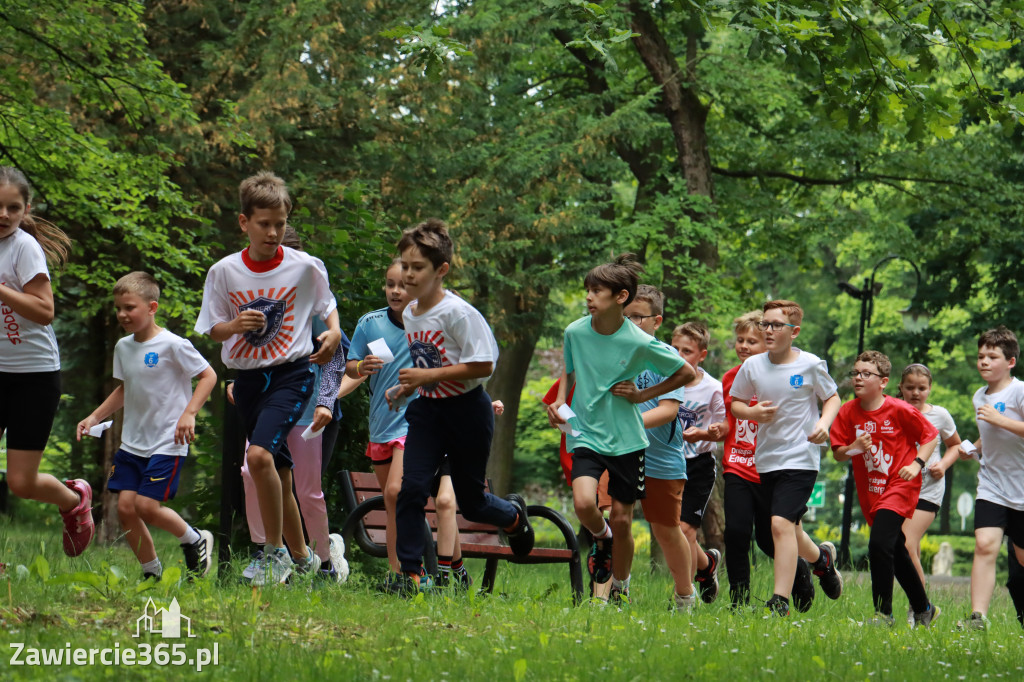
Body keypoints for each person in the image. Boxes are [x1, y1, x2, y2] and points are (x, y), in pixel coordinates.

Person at [195, 171, 341, 586]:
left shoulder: (305, 267)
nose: (274, 232)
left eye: (280, 223)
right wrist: (236, 324)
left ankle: (272, 553)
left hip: (291, 374)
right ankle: (304, 558)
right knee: (278, 472)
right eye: (264, 223)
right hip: (246, 380)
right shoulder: (223, 273)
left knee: (257, 458)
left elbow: (327, 306)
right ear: (244, 222)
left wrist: (331, 332)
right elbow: (213, 329)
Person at [384, 218, 534, 595]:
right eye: (404, 265)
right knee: (411, 489)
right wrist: (405, 389)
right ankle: (411, 575)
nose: (408, 274)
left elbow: (484, 365)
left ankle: (514, 517)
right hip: (428, 413)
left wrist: (425, 379)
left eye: (417, 267)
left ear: (441, 270)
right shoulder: (411, 313)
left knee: (472, 503)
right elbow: (428, 362)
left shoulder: (458, 313)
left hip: (468, 411)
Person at [547, 255, 693, 605]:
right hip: (585, 434)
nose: (588, 297)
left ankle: (620, 589)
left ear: (620, 297)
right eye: (588, 290)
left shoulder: (638, 341)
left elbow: (685, 373)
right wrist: (559, 404)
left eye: (596, 291)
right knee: (584, 503)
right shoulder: (575, 331)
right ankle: (602, 538)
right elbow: (569, 372)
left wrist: (643, 395)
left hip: (627, 442)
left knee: (625, 520)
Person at [76, 272, 217, 581]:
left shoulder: (173, 345)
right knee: (126, 508)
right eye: (118, 309)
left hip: (168, 440)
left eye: (130, 307)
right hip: (132, 443)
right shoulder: (123, 348)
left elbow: (208, 376)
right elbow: (125, 389)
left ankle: (194, 540)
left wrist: (190, 413)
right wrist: (94, 418)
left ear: (152, 307)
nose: (123, 315)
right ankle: (151, 573)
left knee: (147, 506)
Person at [346, 257, 469, 590]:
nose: (396, 291)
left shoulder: (434, 325)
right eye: (390, 284)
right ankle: (398, 572)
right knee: (392, 501)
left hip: (418, 424)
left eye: (404, 285)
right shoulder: (370, 324)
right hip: (381, 425)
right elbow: (349, 366)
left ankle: (415, 573)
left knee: (397, 491)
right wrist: (361, 367)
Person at [239, 226, 349, 585]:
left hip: (305, 411)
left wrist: (327, 400)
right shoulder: (254, 291)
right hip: (262, 404)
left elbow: (339, 356)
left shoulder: (311, 297)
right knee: (250, 473)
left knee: (305, 490)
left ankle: (323, 562)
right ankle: (265, 552)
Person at [0, 166, 94, 557]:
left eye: (13, 207)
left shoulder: (24, 247)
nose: (4, 214)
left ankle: (74, 502)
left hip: (33, 376)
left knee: (21, 483)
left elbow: (44, 310)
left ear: (26, 209)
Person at [730, 299, 843, 616]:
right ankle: (821, 560)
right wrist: (751, 412)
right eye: (765, 324)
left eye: (775, 325)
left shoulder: (810, 364)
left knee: (779, 523)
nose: (768, 330)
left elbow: (832, 397)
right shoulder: (752, 366)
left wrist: (823, 424)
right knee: (789, 528)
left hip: (801, 457)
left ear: (794, 331)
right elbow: (736, 403)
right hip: (767, 459)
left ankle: (779, 600)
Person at [830, 350, 941, 627]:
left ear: (883, 381)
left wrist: (917, 464)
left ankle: (883, 614)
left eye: (866, 374)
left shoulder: (899, 409)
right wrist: (853, 448)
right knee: (895, 547)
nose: (858, 378)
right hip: (871, 490)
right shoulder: (847, 412)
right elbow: (838, 454)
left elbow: (930, 436)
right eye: (855, 373)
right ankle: (924, 607)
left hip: (901, 484)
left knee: (879, 543)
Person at [720, 311, 816, 611]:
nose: (744, 346)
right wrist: (712, 431)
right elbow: (728, 420)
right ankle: (738, 601)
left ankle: (800, 573)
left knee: (767, 537)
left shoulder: (787, 375)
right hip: (737, 464)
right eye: (740, 340)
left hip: (771, 467)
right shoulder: (731, 378)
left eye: (753, 341)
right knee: (735, 532)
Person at [622, 285, 697, 611]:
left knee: (666, 531)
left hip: (660, 458)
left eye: (638, 317)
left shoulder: (667, 357)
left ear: (657, 320)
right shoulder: (611, 352)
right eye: (625, 317)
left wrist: (631, 422)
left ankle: (685, 595)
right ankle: (614, 590)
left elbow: (668, 410)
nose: (631, 323)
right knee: (616, 519)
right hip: (618, 452)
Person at [964, 326, 1024, 629]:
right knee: (985, 544)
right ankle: (978, 617)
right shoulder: (979, 396)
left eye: (992, 356)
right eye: (980, 356)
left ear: (1010, 361)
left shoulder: (1020, 391)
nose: (984, 361)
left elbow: (1003, 426)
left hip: (1022, 489)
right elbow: (991, 436)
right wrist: (972, 447)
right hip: (992, 484)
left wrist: (1002, 420)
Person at [896, 363, 962, 623]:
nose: (915, 392)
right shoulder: (893, 410)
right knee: (911, 550)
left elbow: (955, 445)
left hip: (928, 488)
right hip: (899, 488)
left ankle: (920, 608)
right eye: (910, 387)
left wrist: (943, 465)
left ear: (929, 389)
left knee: (905, 542)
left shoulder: (940, 415)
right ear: (900, 387)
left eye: (921, 388)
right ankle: (921, 607)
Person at [670, 321, 726, 603]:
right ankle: (706, 566)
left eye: (687, 351)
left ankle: (683, 598)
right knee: (674, 532)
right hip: (667, 464)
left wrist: (705, 432)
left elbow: (724, 427)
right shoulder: (662, 381)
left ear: (701, 355)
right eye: (675, 348)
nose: (679, 355)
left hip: (698, 465)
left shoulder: (713, 389)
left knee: (686, 531)